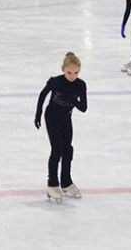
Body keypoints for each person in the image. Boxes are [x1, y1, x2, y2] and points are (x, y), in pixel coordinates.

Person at [35, 52, 88, 203]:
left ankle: (66, 182)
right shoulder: (56, 82)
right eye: (69, 72)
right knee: (57, 149)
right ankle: (52, 184)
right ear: (63, 70)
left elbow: (83, 108)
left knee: (68, 149)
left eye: (76, 73)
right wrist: (38, 114)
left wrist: (73, 100)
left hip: (66, 118)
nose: (72, 76)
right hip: (52, 117)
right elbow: (42, 95)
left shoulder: (80, 85)